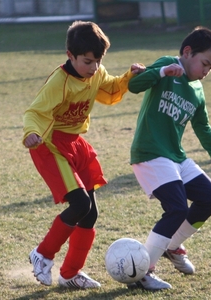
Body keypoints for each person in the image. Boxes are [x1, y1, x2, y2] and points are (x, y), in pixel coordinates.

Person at [22, 20, 145, 289]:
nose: (93, 68)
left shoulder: (96, 73)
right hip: (51, 144)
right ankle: (42, 254)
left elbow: (110, 89)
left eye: (97, 61)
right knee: (80, 205)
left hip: (76, 143)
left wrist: (129, 76)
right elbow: (35, 112)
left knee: (90, 214)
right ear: (70, 56)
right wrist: (31, 133)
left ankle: (70, 274)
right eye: (87, 61)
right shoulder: (59, 81)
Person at [127, 26, 211, 291]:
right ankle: (144, 272)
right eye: (205, 63)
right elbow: (134, 85)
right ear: (187, 52)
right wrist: (160, 72)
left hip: (175, 156)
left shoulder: (197, 90)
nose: (206, 71)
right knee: (177, 208)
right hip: (150, 153)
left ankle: (172, 245)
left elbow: (203, 128)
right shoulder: (168, 64)